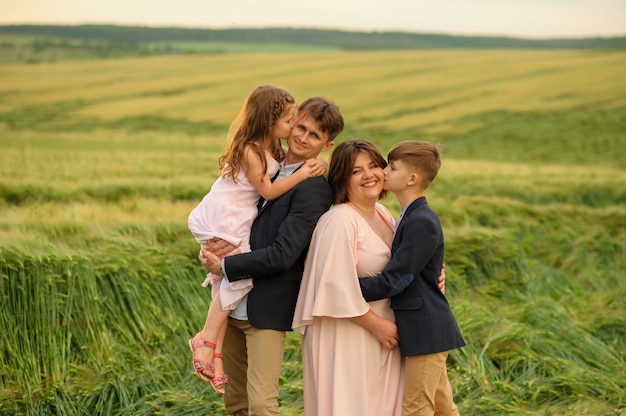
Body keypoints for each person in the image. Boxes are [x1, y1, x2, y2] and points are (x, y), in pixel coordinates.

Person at [198, 96, 345, 415]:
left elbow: (283, 254)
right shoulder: (267, 163)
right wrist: (211, 244)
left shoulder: (314, 190)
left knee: (262, 405)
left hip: (264, 310)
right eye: (300, 126)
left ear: (327, 145)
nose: (302, 137)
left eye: (314, 135)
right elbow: (232, 211)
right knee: (235, 403)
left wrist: (225, 265)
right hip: (232, 304)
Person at [292, 138, 407, 415]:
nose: (368, 175)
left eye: (373, 166)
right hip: (345, 336)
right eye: (356, 171)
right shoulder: (340, 220)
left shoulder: (381, 213)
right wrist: (378, 326)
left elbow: (400, 266)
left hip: (380, 337)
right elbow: (333, 285)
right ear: (343, 180)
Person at [358, 140, 465, 416]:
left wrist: (347, 289)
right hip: (424, 330)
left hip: (426, 330)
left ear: (412, 178)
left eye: (391, 167)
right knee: (443, 408)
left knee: (416, 409)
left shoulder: (421, 221)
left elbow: (397, 280)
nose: (382, 171)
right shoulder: (407, 217)